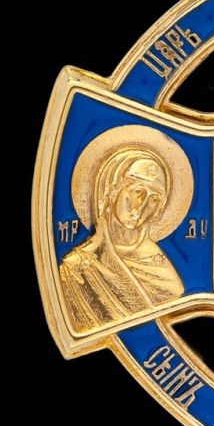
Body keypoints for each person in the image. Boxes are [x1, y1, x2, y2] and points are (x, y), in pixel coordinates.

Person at [59, 142, 184, 332]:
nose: (142, 206)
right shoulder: (77, 268)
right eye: (137, 192)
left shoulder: (161, 266)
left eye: (154, 199)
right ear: (112, 191)